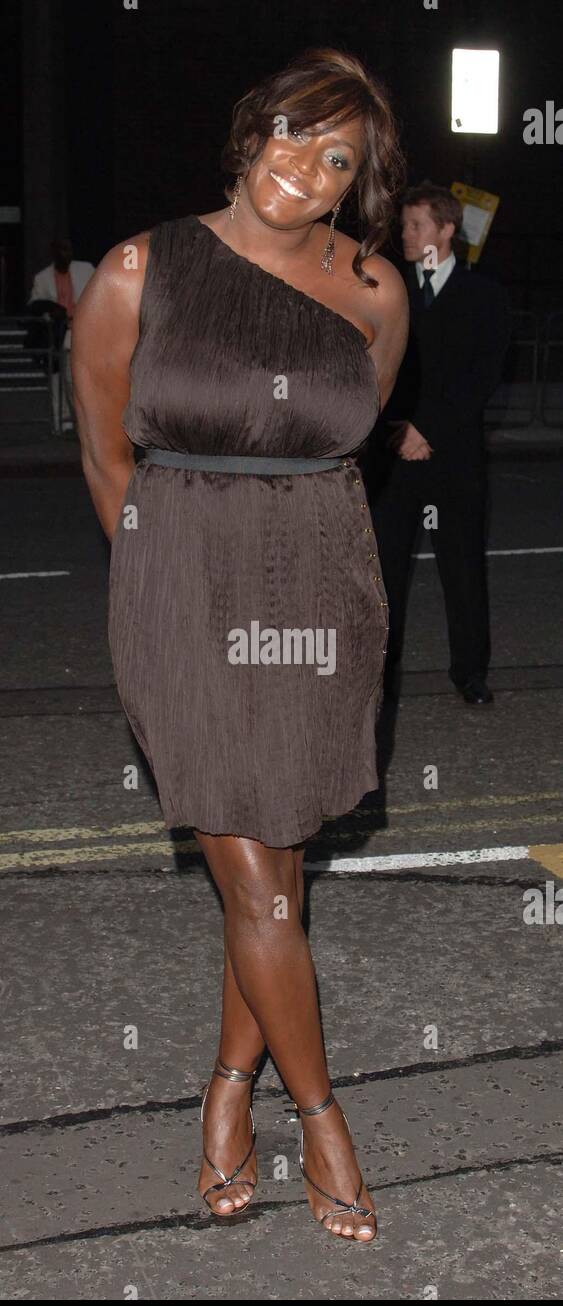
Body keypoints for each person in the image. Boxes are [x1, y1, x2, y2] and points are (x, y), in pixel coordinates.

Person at [71, 47, 408, 1243]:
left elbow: (345, 439)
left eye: (336, 160)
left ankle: (224, 1089)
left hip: (318, 588)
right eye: (290, 134)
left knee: (273, 868)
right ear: (250, 127)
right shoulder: (139, 267)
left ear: (355, 186)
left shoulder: (372, 291)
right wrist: (161, 577)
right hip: (182, 591)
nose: (301, 168)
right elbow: (108, 451)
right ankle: (321, 1122)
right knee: (260, 884)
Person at [369, 181, 511, 704]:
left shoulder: (485, 295)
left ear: (447, 230)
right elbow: (375, 364)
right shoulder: (387, 288)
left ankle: (470, 673)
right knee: (384, 573)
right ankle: (379, 677)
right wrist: (400, 429)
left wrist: (426, 429)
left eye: (416, 225)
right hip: (392, 455)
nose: (405, 235)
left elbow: (483, 375)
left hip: (454, 457)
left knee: (464, 567)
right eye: (404, 225)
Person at [29, 236, 95, 430]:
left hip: (82, 332)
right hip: (58, 333)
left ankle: (79, 421)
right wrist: (50, 314)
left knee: (74, 380)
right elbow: (35, 305)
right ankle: (63, 421)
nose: (65, 255)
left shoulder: (85, 270)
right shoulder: (42, 278)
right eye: (60, 251)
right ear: (54, 253)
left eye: (67, 250)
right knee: (59, 379)